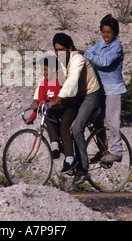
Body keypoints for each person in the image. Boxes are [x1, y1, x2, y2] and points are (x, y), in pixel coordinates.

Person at [32, 33, 100, 185]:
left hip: (89, 95)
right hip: (73, 96)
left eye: (61, 50)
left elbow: (72, 80)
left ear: (70, 48)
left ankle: (83, 170)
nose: (58, 54)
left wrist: (57, 99)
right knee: (55, 118)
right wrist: (37, 98)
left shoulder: (78, 59)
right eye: (56, 50)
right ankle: (69, 156)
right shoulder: (60, 61)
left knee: (76, 129)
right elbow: (46, 81)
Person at [78, 14, 126, 163]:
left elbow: (104, 62)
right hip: (100, 89)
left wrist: (85, 53)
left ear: (115, 33)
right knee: (97, 120)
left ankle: (117, 152)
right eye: (104, 31)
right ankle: (103, 150)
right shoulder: (100, 43)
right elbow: (91, 52)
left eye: (109, 32)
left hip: (113, 90)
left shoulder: (116, 47)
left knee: (112, 120)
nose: (106, 35)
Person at [26, 55, 78, 174]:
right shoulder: (44, 83)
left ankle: (70, 159)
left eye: (45, 70)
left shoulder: (63, 79)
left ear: (54, 69)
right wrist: (32, 117)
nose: (43, 73)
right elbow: (42, 104)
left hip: (68, 107)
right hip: (55, 108)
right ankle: (55, 145)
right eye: (42, 70)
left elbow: (69, 93)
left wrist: (55, 102)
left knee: (64, 127)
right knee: (47, 115)